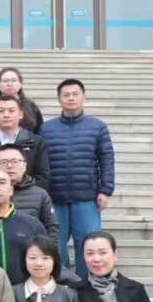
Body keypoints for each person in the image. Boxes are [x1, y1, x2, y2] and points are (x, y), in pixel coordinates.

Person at [42, 79, 116, 279]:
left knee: (89, 243)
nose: (71, 98)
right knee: (56, 245)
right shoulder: (46, 128)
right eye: (66, 95)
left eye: (75, 94)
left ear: (84, 97)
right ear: (59, 99)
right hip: (55, 197)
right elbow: (41, 162)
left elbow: (106, 158)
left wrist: (105, 189)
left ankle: (87, 285)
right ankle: (61, 284)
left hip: (87, 197)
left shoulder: (97, 126)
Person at [0, 169, 49, 285]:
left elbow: (48, 258)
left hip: (24, 291)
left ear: (11, 190)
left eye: (2, 182)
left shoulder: (32, 224)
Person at [0, 145, 60, 237]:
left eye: (15, 161)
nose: (9, 166)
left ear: (25, 166)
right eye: (3, 162)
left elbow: (52, 229)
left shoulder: (40, 194)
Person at [0, 95, 51, 192]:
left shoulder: (36, 142)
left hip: (28, 197)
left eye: (11, 111)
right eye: (1, 111)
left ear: (20, 114)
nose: (6, 115)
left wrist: (27, 195)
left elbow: (42, 175)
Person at [0, 67, 44, 134]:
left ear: (20, 84)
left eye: (14, 80)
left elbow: (39, 132)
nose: (10, 84)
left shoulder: (31, 107)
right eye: (5, 81)